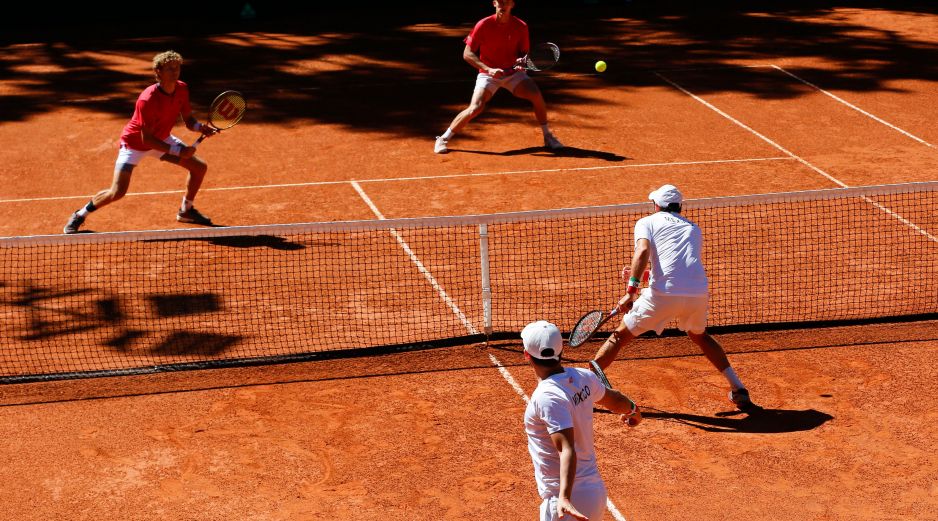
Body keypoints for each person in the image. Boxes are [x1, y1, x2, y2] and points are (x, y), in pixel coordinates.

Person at [591, 184, 760, 412]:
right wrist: (644, 275)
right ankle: (739, 389)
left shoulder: (647, 222)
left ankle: (580, 389)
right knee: (700, 336)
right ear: (679, 206)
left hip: (662, 295)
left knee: (619, 336)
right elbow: (681, 268)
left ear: (656, 205)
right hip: (696, 294)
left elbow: (642, 252)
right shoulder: (693, 228)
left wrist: (631, 291)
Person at [63, 50, 217, 234]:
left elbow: (189, 120)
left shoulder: (182, 88)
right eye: (170, 68)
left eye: (177, 67)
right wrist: (177, 151)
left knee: (199, 167)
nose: (175, 72)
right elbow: (147, 139)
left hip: (161, 138)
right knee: (117, 192)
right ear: (158, 71)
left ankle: (186, 210)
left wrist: (200, 128)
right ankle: (79, 215)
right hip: (135, 144)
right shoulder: (148, 99)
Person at [522, 320, 641, 521]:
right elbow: (614, 399)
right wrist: (633, 409)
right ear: (560, 352)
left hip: (565, 502)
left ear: (527, 356)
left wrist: (564, 498)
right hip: (594, 493)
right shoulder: (584, 377)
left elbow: (567, 449)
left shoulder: (547, 396)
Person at [434, 0, 563, 154]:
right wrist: (488, 69)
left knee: (536, 94)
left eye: (507, 2)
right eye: (500, 1)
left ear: (512, 5)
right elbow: (467, 54)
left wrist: (521, 61)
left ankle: (547, 136)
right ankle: (443, 138)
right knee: (476, 107)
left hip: (513, 74)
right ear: (494, 3)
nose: (503, 5)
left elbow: (523, 53)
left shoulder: (521, 26)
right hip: (488, 75)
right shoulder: (483, 25)